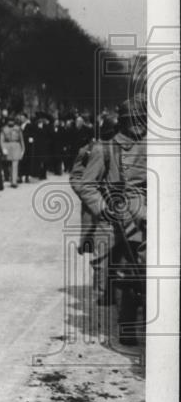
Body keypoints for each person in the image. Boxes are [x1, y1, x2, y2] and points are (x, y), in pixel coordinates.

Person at [74, 96, 147, 346]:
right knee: (122, 272)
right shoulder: (105, 148)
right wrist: (101, 207)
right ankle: (126, 327)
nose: (139, 125)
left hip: (143, 214)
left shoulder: (151, 145)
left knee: (139, 270)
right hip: (114, 217)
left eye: (142, 120)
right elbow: (86, 185)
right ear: (123, 122)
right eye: (132, 120)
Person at [0, 118, 25, 188]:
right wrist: (3, 148)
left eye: (12, 121)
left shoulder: (18, 129)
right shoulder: (4, 129)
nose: (11, 122)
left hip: (16, 146)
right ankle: (11, 179)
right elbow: (1, 140)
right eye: (9, 121)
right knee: (9, 165)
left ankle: (14, 181)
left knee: (15, 164)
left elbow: (21, 139)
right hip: (7, 146)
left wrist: (23, 149)